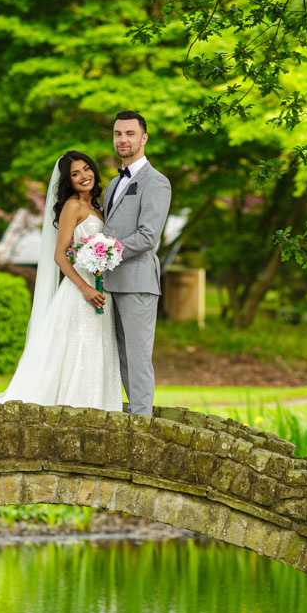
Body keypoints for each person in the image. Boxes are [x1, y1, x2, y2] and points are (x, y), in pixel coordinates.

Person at [0, 150, 124, 410]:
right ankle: (74, 405)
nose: (84, 176)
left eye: (86, 169)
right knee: (79, 346)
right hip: (80, 291)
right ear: (67, 181)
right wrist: (84, 287)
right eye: (75, 174)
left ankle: (99, 406)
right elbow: (60, 255)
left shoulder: (95, 206)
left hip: (101, 288)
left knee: (98, 347)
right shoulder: (72, 205)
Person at [100, 110, 172, 416]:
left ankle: (141, 423)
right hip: (110, 283)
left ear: (143, 138)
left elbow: (147, 237)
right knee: (120, 357)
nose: (123, 139)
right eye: (118, 134)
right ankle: (129, 415)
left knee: (138, 356)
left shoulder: (157, 182)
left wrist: (104, 252)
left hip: (138, 282)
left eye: (130, 134)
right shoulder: (112, 185)